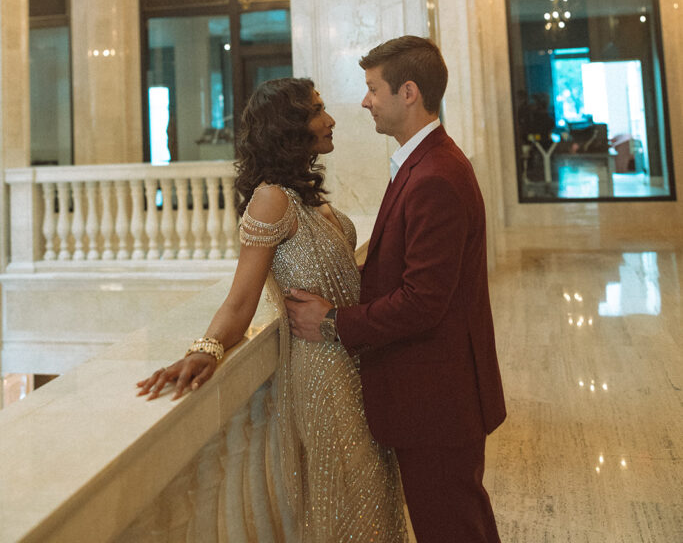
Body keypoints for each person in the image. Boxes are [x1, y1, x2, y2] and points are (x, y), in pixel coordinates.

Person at [136, 77, 408, 543]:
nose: (331, 119)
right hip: (323, 375)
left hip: (354, 359)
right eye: (318, 111)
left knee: (375, 495)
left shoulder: (306, 194)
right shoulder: (271, 199)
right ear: (289, 127)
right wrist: (204, 349)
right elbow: (241, 300)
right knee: (348, 504)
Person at [286, 36, 506, 543]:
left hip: (438, 398)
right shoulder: (424, 162)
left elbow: (423, 302)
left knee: (453, 528)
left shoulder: (436, 174)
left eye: (372, 89)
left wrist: (332, 321)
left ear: (408, 92)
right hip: (433, 393)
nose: (365, 102)